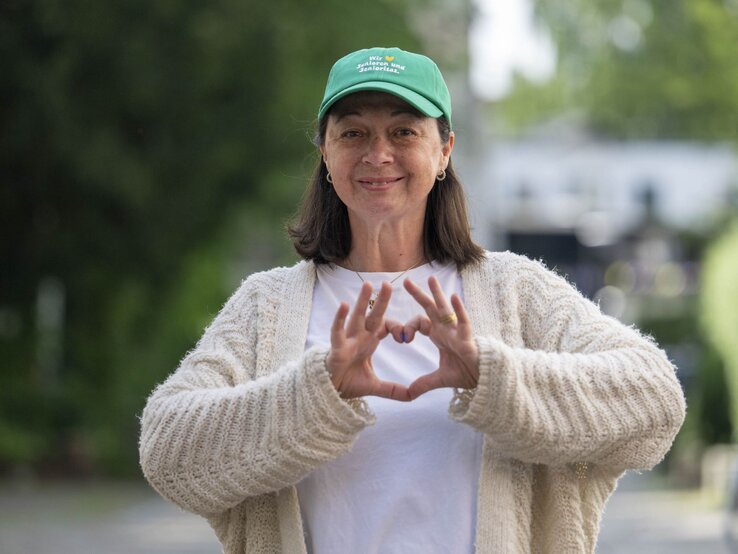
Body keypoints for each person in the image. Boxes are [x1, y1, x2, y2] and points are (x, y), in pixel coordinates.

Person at [139, 46, 686, 553]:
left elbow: (656, 403)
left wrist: (490, 375)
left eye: (403, 131)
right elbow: (167, 451)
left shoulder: (514, 291)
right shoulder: (268, 305)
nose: (378, 154)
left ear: (444, 150)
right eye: (353, 134)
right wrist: (315, 393)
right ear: (325, 153)